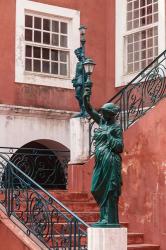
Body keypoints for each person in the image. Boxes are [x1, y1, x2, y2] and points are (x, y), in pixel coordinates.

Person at [83, 86, 124, 226]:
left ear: (111, 114)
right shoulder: (101, 122)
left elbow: (120, 146)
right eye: (103, 112)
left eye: (106, 112)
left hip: (111, 161)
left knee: (109, 190)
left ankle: (108, 219)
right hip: (100, 161)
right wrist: (85, 98)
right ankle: (104, 218)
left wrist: (108, 136)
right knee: (96, 188)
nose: (103, 114)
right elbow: (89, 110)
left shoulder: (116, 128)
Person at [72, 47, 87, 117]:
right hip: (78, 79)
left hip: (82, 80)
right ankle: (82, 109)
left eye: (78, 54)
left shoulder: (85, 62)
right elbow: (76, 73)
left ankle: (84, 109)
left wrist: (83, 58)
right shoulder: (78, 64)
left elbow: (86, 71)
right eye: (76, 54)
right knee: (78, 95)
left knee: (83, 95)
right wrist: (74, 80)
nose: (77, 56)